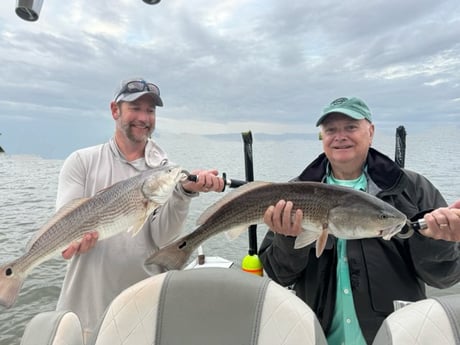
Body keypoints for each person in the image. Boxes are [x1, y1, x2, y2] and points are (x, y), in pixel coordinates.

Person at [258, 96, 460, 345]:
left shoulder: (413, 189)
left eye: (351, 127)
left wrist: (440, 241)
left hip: (394, 337)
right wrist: (287, 238)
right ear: (322, 137)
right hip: (315, 336)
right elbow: (279, 275)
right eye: (331, 129)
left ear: (371, 132)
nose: (340, 136)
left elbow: (444, 278)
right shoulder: (294, 193)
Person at [55, 77, 224, 342]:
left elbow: (161, 238)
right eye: (136, 107)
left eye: (151, 110)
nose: (144, 117)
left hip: (143, 311)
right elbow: (65, 225)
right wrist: (74, 242)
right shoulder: (81, 162)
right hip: (85, 314)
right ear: (115, 110)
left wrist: (184, 193)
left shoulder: (165, 170)